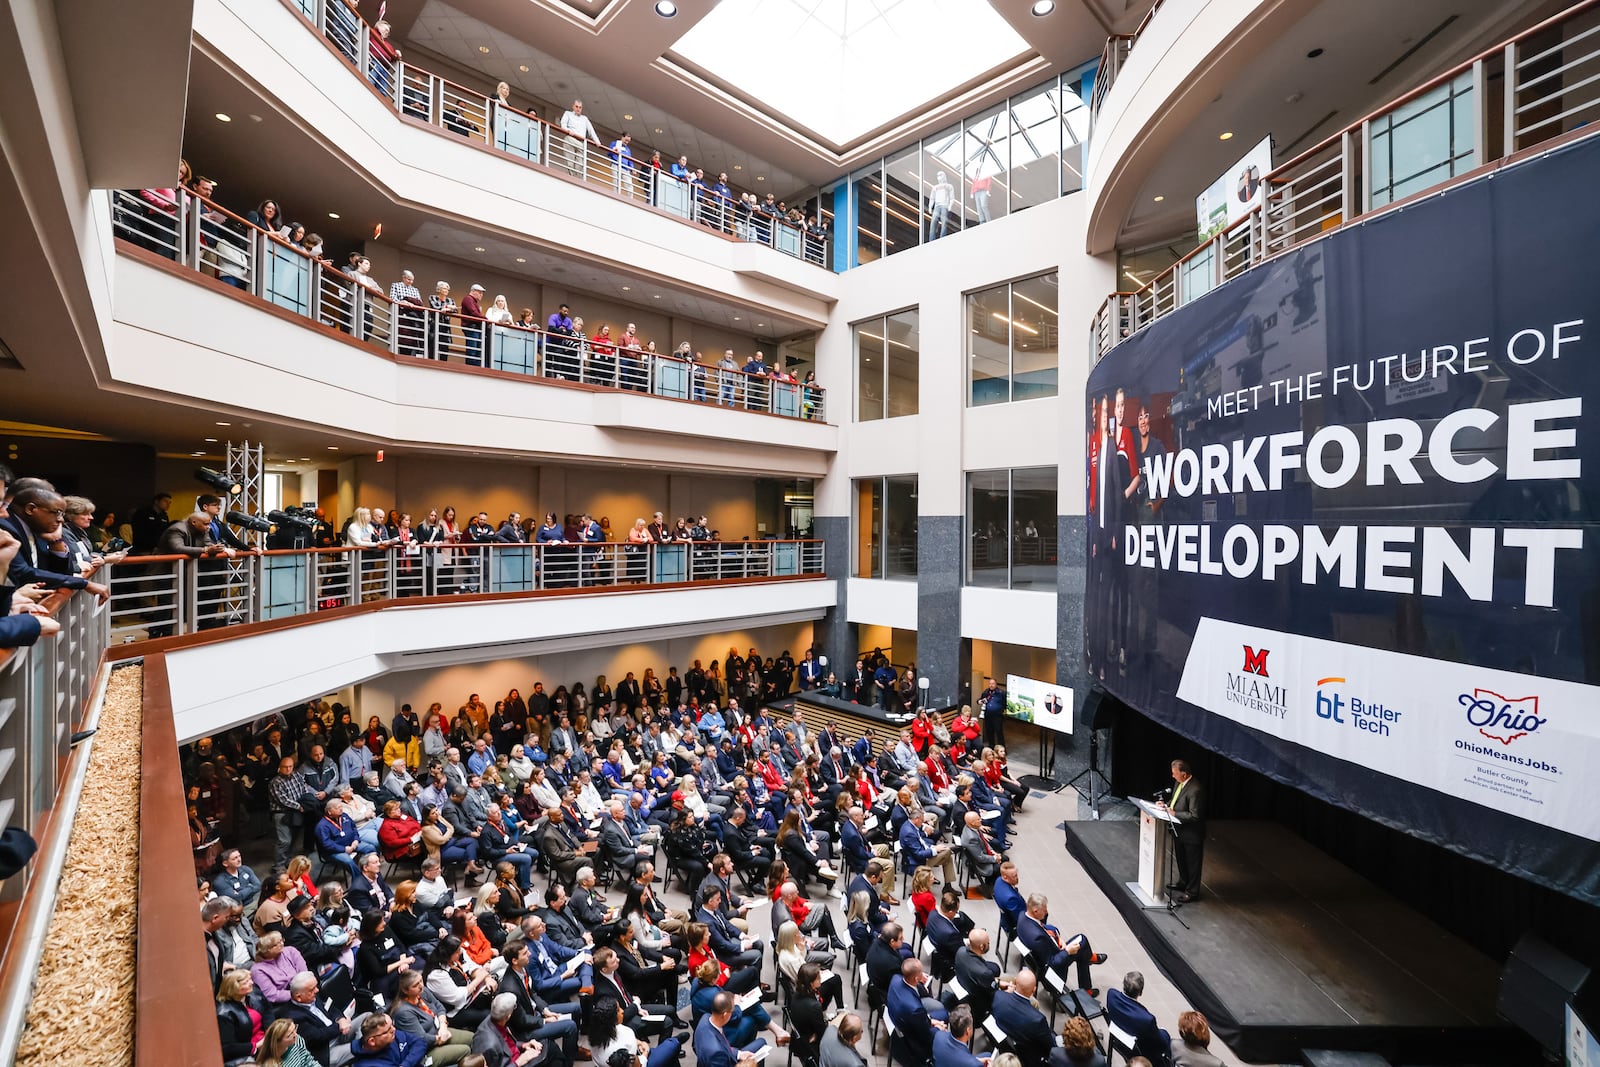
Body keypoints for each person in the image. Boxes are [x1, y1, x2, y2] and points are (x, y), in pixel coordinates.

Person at [1017, 892, 1107, 996]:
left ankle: (1088, 960)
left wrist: (1057, 937)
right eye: (1044, 910)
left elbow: (1045, 927)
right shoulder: (1037, 937)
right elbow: (1052, 963)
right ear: (1035, 911)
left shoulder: (1023, 916)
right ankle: (1089, 959)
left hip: (1048, 950)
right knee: (1082, 942)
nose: (1046, 912)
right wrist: (1068, 951)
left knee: (1082, 949)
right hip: (1051, 970)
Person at [393, 969, 477, 1064]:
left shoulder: (423, 992)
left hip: (439, 1030)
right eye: (415, 985)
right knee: (465, 1050)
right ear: (405, 990)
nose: (421, 986)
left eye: (421, 981)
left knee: (473, 1038)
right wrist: (440, 1039)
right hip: (425, 1050)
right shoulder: (404, 1012)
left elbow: (439, 1006)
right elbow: (421, 1039)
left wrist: (443, 1026)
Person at [885, 956, 946, 1067]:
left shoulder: (895, 978)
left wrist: (930, 1021)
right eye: (921, 972)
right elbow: (925, 1034)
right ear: (916, 978)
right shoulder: (915, 1009)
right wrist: (938, 1027)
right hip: (912, 1036)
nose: (923, 974)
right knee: (944, 1015)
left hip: (901, 1017)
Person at [1105, 971, 1171, 1067]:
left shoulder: (1111, 994)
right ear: (1140, 992)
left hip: (1117, 1039)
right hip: (1137, 1050)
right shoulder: (1147, 1019)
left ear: (1123, 985)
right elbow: (1160, 1042)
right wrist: (1164, 1033)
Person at [991, 970, 1056, 1067]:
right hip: (1028, 1058)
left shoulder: (998, 996)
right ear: (1034, 990)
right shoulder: (1038, 1020)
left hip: (1005, 1045)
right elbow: (1050, 1047)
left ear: (1015, 982)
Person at [1164, 760, 1204, 902]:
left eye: (1175, 773)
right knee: (1181, 859)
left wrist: (1174, 814)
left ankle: (1192, 892)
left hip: (1191, 834)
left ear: (1184, 774)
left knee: (1192, 864)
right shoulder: (1179, 782)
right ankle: (1183, 882)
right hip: (1179, 830)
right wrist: (1165, 806)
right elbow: (1174, 801)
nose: (1173, 776)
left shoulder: (1195, 790)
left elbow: (1194, 815)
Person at [471, 992, 546, 1067]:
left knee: (546, 1044)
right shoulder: (490, 1046)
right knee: (548, 1053)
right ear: (508, 1016)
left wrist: (524, 1045)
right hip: (515, 1063)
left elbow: (507, 1045)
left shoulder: (495, 1018)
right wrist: (519, 1062)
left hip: (515, 1056)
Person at [350, 1011, 434, 1066]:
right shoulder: (367, 1064)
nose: (394, 1029)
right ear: (372, 1041)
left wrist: (405, 1064)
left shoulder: (391, 1035)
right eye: (388, 1029)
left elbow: (420, 1042)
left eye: (392, 1025)